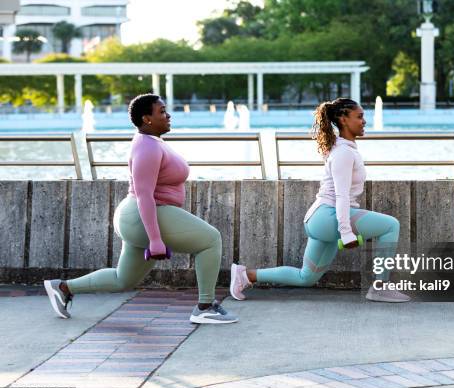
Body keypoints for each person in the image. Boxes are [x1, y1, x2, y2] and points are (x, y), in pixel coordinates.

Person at [44, 93, 237, 324]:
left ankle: (63, 288)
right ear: (147, 118)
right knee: (210, 240)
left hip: (139, 216)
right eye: (162, 112)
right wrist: (155, 239)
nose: (168, 115)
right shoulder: (147, 147)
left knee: (123, 279)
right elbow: (144, 194)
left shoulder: (152, 141)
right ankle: (205, 307)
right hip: (145, 213)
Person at [230, 98, 410, 302]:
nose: (364, 121)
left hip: (319, 219)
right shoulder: (343, 153)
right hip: (328, 216)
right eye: (359, 117)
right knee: (390, 226)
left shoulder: (343, 149)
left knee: (306, 277)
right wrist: (346, 231)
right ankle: (380, 287)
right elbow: (341, 195)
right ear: (343, 120)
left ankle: (246, 275)